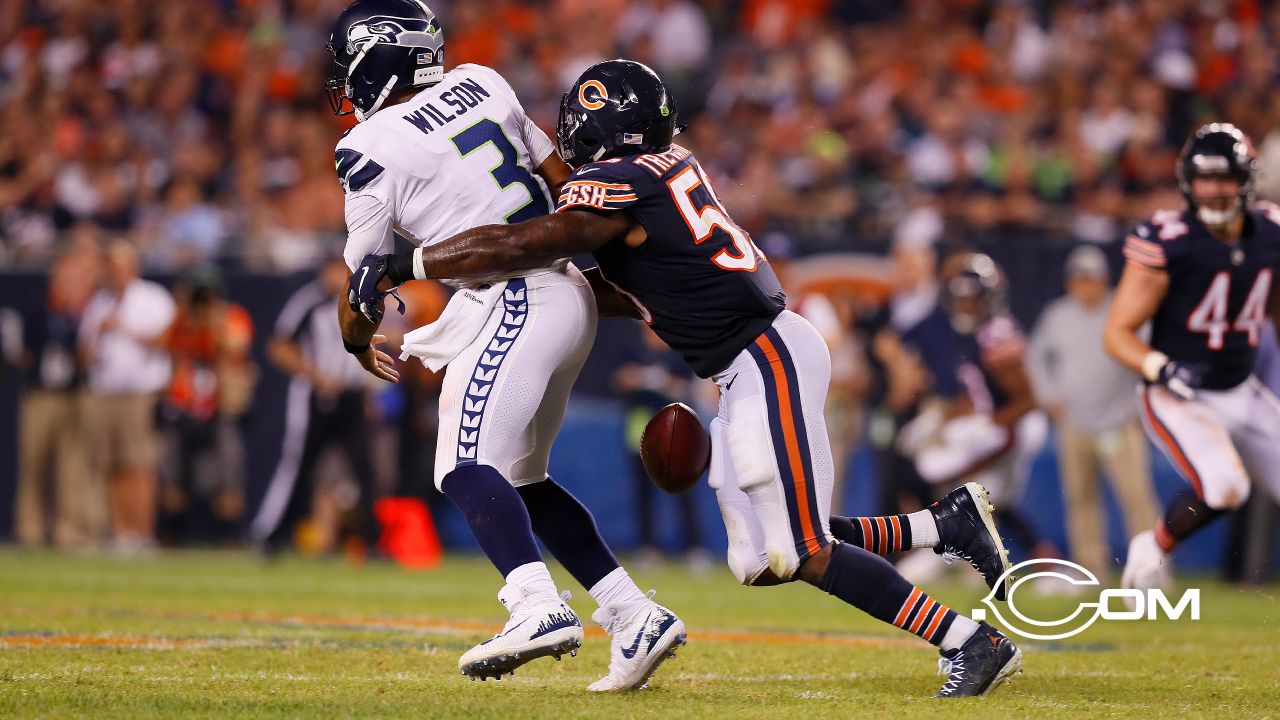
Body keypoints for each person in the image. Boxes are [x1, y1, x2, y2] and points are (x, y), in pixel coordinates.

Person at [354, 59, 1022, 698]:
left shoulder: (617, 184)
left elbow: (534, 241)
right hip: (749, 360)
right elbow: (633, 286)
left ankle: (968, 641)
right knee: (760, 557)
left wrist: (410, 259)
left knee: (801, 548)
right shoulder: (661, 169)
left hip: (765, 355)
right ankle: (944, 526)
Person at [326, 1, 684, 690]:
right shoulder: (484, 81)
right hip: (567, 296)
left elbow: (365, 285)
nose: (343, 81)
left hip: (513, 298)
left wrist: (356, 343)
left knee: (460, 466)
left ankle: (535, 604)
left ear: (376, 59)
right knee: (521, 479)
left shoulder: (365, 150)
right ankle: (633, 613)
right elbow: (569, 189)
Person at [1103, 123, 1280, 596]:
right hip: (1179, 392)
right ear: (1188, 181)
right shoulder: (1168, 238)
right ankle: (1154, 544)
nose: (1216, 191)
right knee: (1226, 487)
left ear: (1245, 180)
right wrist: (1160, 367)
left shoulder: (1271, 233)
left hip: (1242, 388)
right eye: (1206, 179)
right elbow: (1117, 334)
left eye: (1226, 179)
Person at [1027, 245, 1158, 579]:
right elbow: (1035, 357)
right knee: (1081, 500)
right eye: (1080, 279)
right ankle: (1090, 569)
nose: (1086, 286)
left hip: (1119, 422)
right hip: (1076, 424)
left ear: (1104, 280)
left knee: (1136, 498)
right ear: (1071, 282)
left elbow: (1146, 360)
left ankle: (1151, 569)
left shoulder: (1122, 310)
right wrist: (1048, 395)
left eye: (1092, 279)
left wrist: (1135, 406)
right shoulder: (1059, 315)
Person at [249, 256, 379, 555]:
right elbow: (278, 346)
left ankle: (372, 542)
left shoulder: (363, 301)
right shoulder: (309, 301)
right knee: (298, 466)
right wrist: (315, 376)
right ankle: (270, 534)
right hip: (316, 398)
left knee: (366, 469)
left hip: (352, 396)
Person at [78, 240, 176, 554]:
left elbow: (167, 340)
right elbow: (82, 355)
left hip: (140, 393)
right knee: (111, 465)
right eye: (111, 265)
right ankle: (121, 533)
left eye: (120, 265)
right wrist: (94, 344)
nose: (115, 272)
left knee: (140, 465)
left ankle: (142, 533)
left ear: (133, 267)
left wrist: (122, 329)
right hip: (104, 391)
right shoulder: (98, 302)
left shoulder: (152, 298)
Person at [14, 244, 104, 548]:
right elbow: (23, 353)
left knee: (73, 466)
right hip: (40, 394)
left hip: (74, 395)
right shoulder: (38, 309)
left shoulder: (87, 311)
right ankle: (31, 529)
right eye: (67, 272)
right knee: (33, 463)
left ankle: (69, 530)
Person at [160, 265, 255, 545]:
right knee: (173, 476)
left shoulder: (231, 317)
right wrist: (182, 311)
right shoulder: (182, 322)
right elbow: (162, 344)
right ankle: (170, 537)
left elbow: (236, 346)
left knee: (228, 475)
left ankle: (229, 539)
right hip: (184, 408)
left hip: (222, 408)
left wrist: (212, 318)